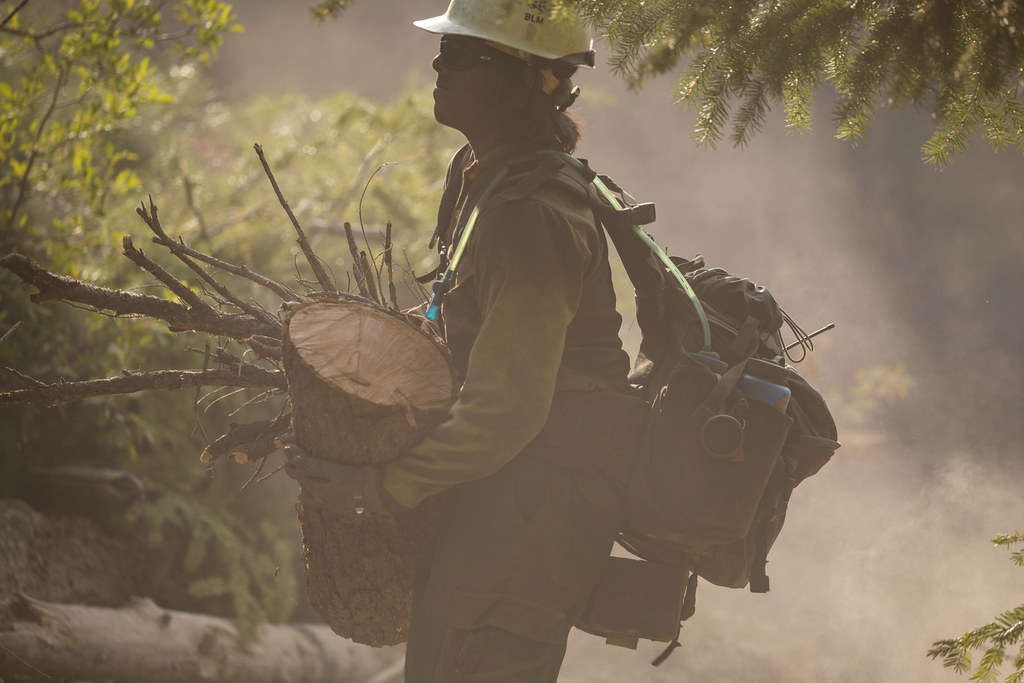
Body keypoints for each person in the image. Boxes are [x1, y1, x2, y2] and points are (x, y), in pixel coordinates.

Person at [287, 1, 645, 680]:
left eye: (461, 56)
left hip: (540, 494)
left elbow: (505, 410)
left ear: (516, 79)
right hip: (515, 485)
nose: (438, 64)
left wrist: (385, 487)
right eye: (444, 51)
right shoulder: (489, 179)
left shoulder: (531, 214)